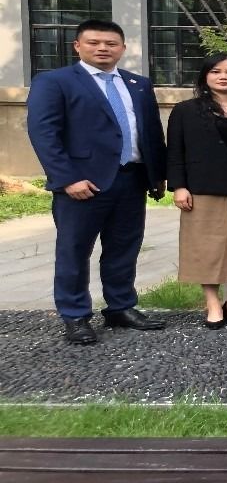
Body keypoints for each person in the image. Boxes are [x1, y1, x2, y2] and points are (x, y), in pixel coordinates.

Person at [26, 19, 167, 345]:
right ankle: (75, 315)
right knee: (74, 250)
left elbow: (150, 132)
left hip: (131, 179)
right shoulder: (55, 82)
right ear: (78, 46)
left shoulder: (138, 84)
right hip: (82, 184)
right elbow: (44, 134)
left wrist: (157, 174)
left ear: (122, 48)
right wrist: (67, 178)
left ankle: (121, 306)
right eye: (94, 42)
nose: (103, 48)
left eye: (111, 43)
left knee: (124, 248)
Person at [167, 54, 227, 329]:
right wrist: (179, 186)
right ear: (205, 77)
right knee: (206, 247)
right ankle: (211, 302)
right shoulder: (186, 110)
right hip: (203, 188)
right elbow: (175, 151)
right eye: (216, 71)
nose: (223, 76)